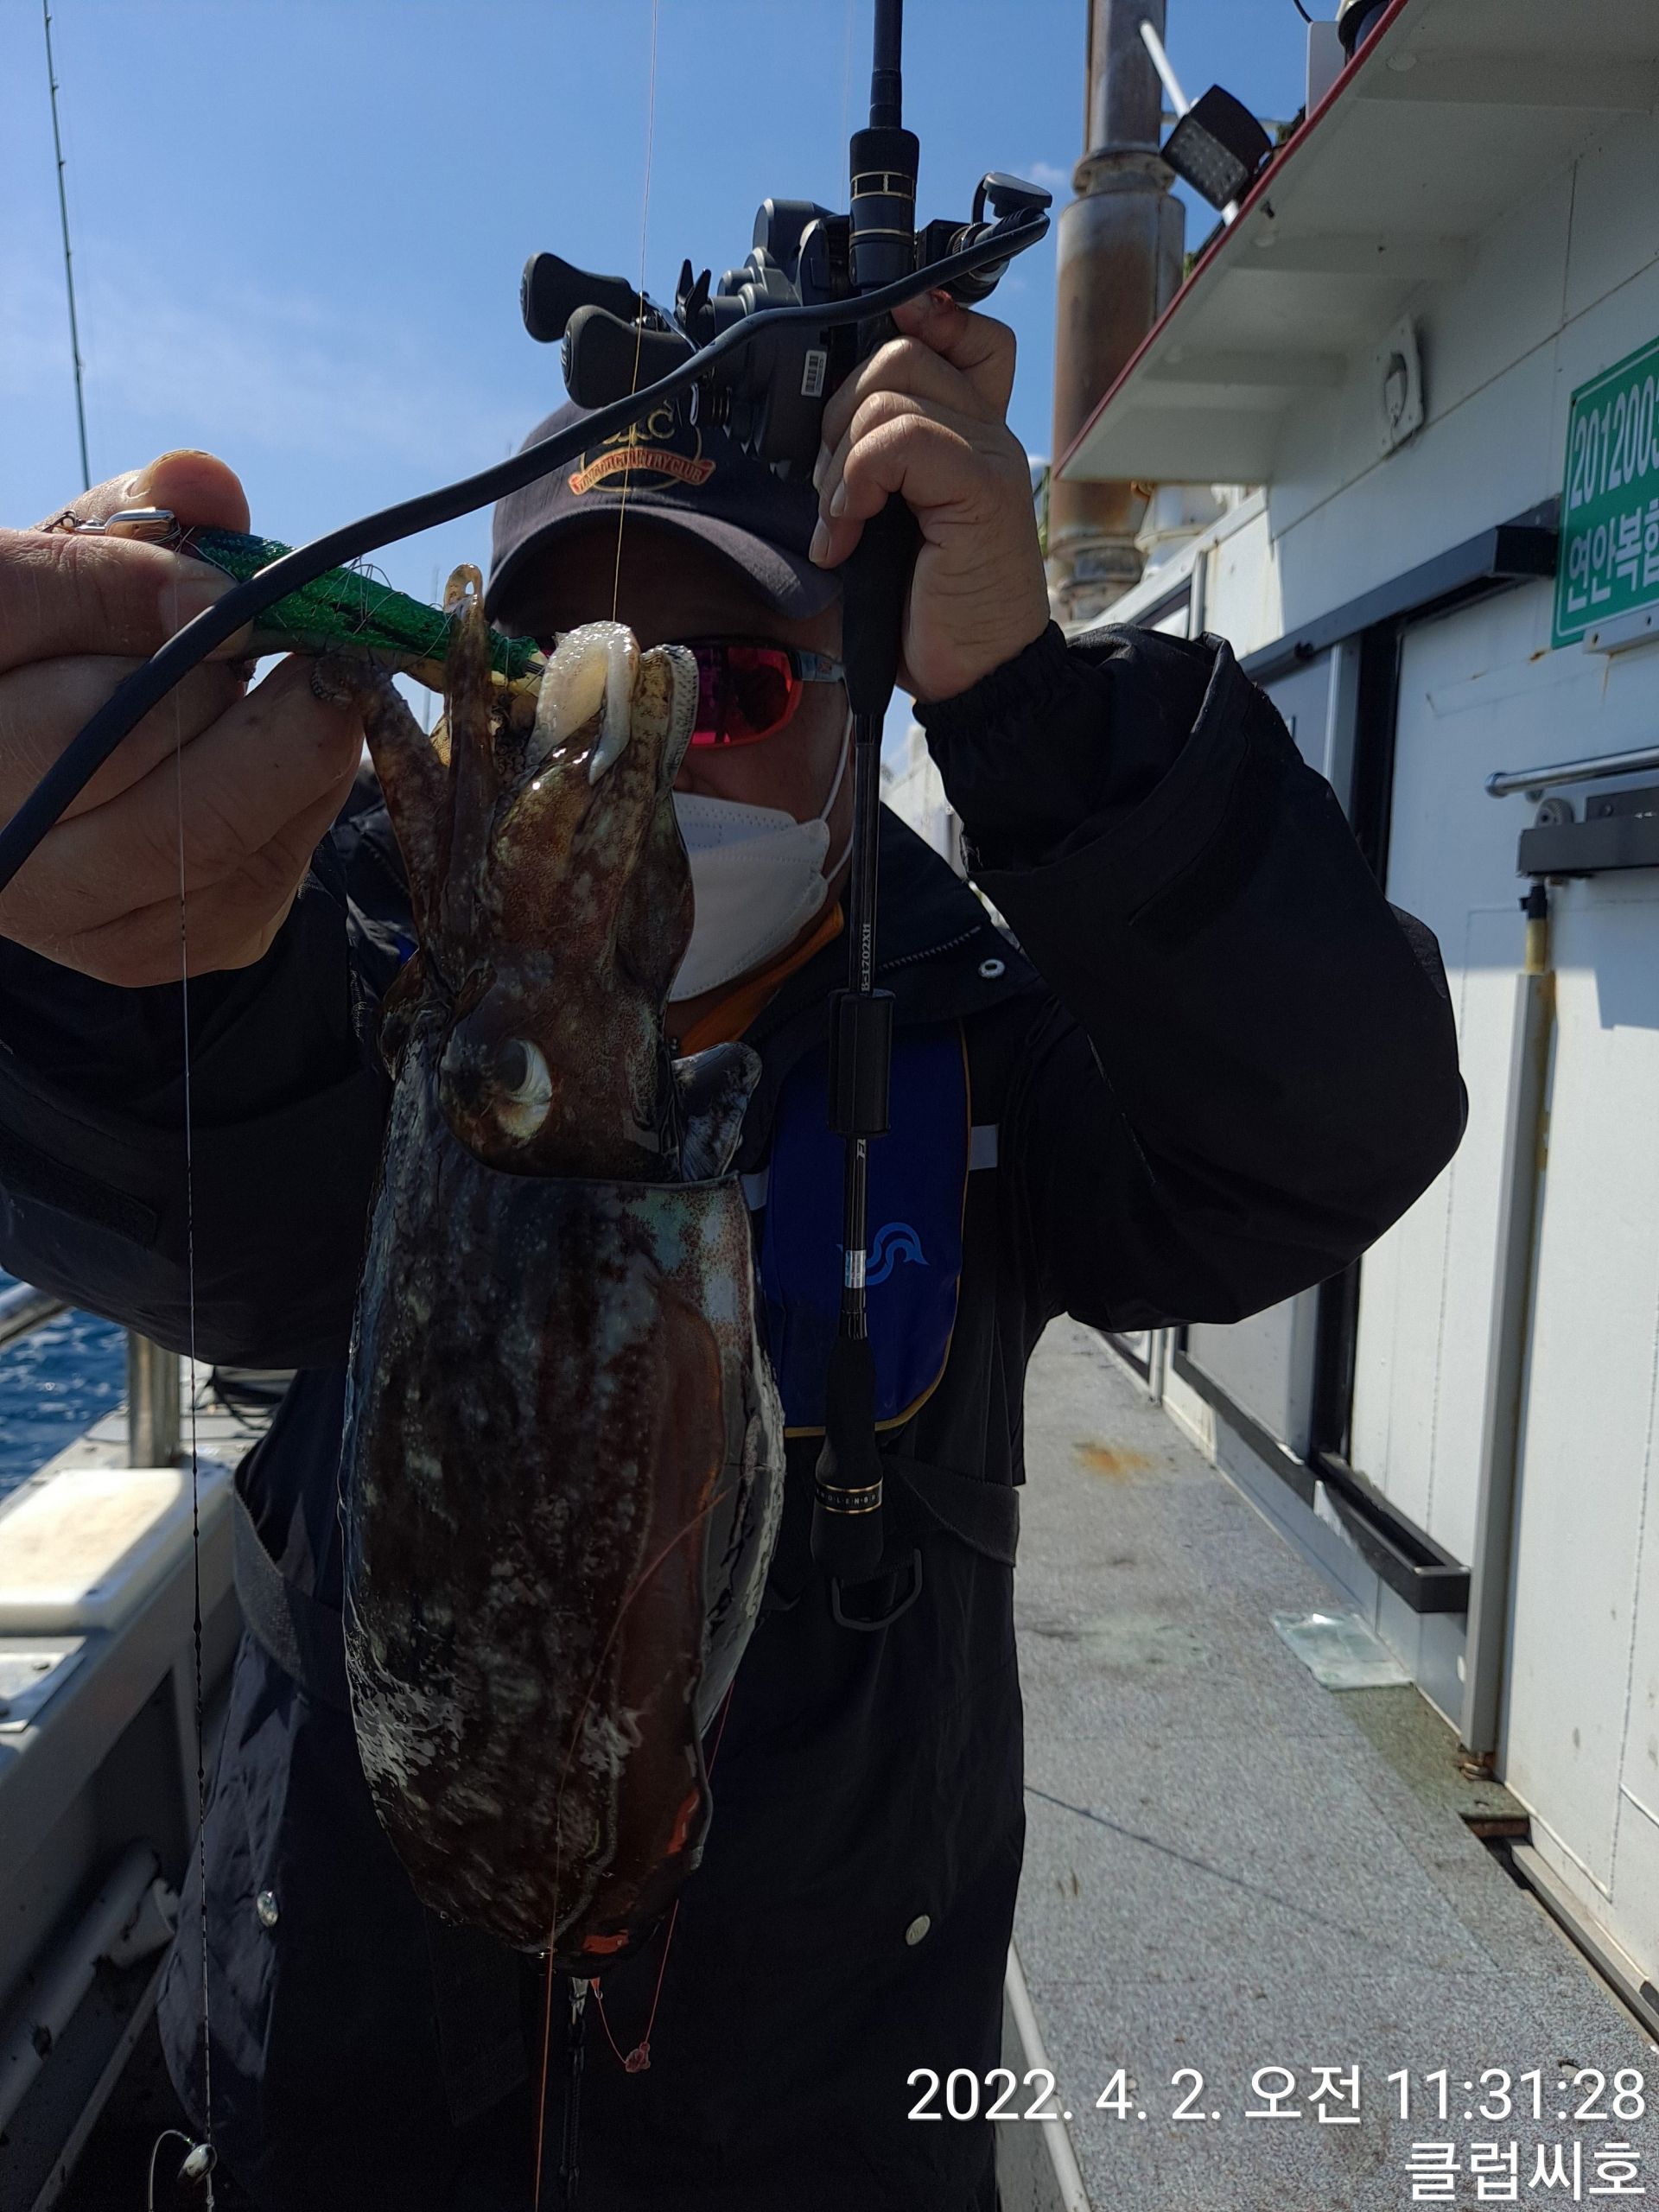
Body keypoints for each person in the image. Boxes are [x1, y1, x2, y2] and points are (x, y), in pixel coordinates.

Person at [0, 293, 1464, 2210]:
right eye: (553, 676)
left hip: (813, 2112)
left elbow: (1333, 1125)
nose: (660, 736)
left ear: (861, 712)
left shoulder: (979, 1042)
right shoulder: (362, 999)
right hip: (353, 2085)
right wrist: (73, 922)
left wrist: (1031, 711)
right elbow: (166, 1159)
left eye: (742, 688)